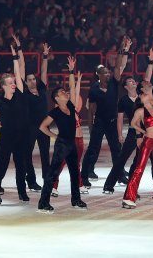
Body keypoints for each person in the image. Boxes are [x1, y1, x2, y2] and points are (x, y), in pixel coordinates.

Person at [122, 49, 153, 209]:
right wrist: (142, 133)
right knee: (139, 168)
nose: (148, 85)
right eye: (145, 85)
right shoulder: (140, 110)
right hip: (149, 141)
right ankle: (128, 198)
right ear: (142, 92)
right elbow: (133, 124)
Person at [103, 48, 153, 194]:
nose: (133, 82)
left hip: (147, 131)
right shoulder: (123, 101)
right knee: (121, 160)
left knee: (149, 160)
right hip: (133, 133)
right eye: (130, 81)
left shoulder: (141, 95)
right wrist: (120, 135)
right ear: (126, 86)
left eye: (134, 81)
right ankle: (109, 184)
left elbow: (147, 78)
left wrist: (151, 61)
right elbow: (120, 119)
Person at [38, 56, 87, 213]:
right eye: (61, 92)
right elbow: (42, 126)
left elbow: (72, 88)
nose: (65, 93)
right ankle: (43, 203)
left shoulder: (71, 107)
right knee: (52, 173)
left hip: (72, 143)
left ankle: (76, 200)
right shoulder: (55, 111)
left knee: (75, 173)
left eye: (64, 92)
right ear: (56, 98)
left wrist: (71, 71)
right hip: (62, 144)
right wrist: (54, 136)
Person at [81, 37, 131, 187]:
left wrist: (122, 50)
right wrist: (90, 128)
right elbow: (91, 111)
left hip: (112, 122)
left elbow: (117, 66)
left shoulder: (114, 83)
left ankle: (120, 174)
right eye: (105, 73)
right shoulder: (94, 89)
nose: (108, 74)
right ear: (98, 75)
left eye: (108, 72)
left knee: (117, 150)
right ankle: (84, 175)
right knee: (92, 149)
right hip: (99, 122)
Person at [0, 43, 30, 204]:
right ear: (4, 86)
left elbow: (18, 72)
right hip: (7, 138)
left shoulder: (19, 94)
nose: (14, 83)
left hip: (22, 137)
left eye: (14, 82)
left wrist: (15, 57)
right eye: (10, 82)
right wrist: (3, 124)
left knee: (21, 167)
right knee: (1, 166)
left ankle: (22, 192)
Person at [19, 39, 51, 192]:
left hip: (44, 126)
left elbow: (44, 71)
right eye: (29, 80)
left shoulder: (43, 89)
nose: (32, 81)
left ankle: (47, 178)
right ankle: (31, 181)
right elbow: (20, 70)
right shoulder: (24, 94)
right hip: (30, 127)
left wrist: (45, 56)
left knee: (45, 154)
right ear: (25, 82)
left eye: (33, 79)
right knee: (27, 155)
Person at [51, 71, 89, 197]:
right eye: (64, 93)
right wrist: (71, 74)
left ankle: (79, 184)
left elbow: (74, 91)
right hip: (69, 140)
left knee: (77, 164)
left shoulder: (73, 109)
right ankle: (53, 186)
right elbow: (73, 91)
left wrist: (75, 78)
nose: (67, 95)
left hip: (79, 140)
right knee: (60, 163)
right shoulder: (61, 110)